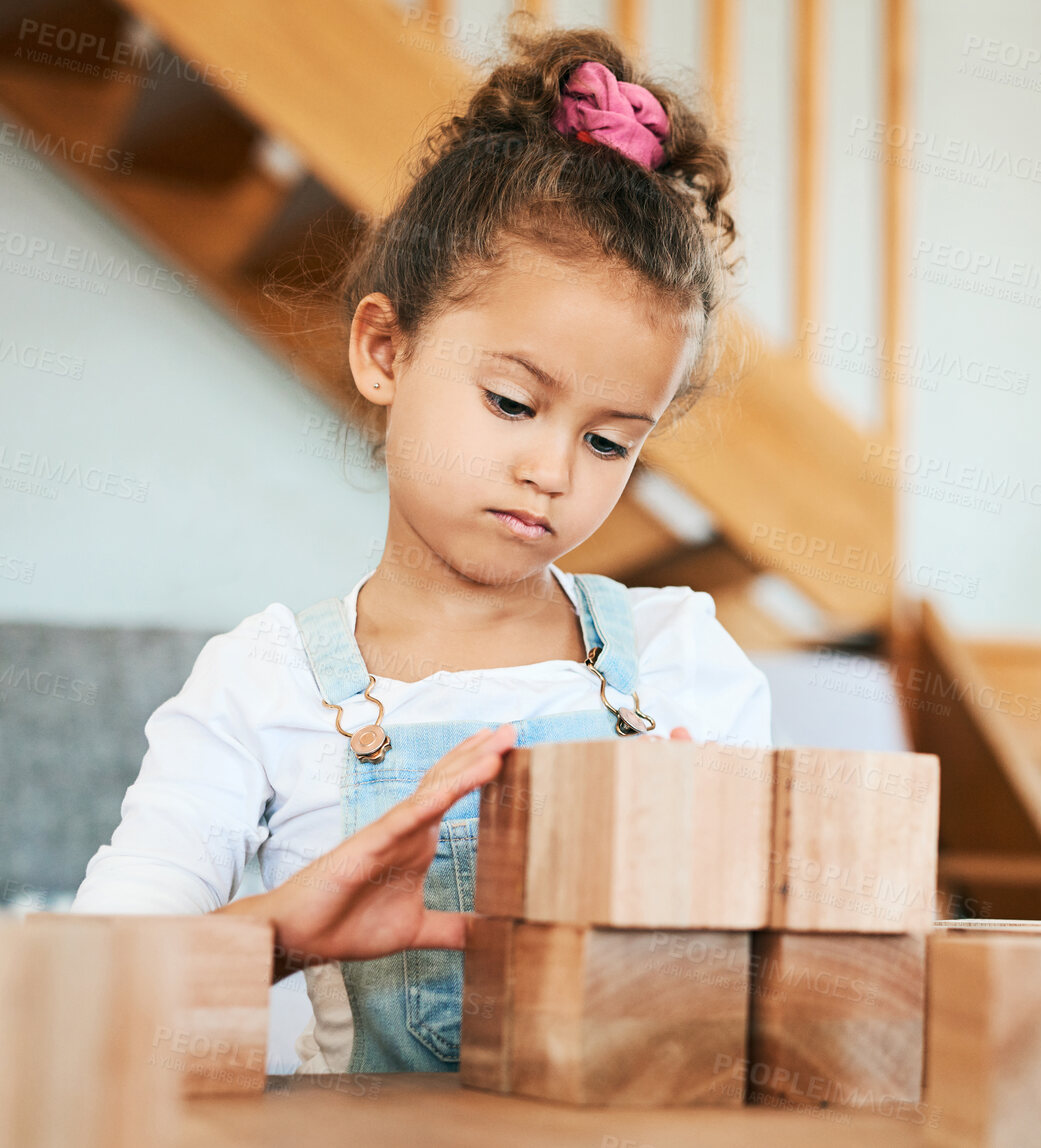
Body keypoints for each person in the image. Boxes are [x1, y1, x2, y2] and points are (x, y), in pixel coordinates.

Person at [69, 24, 767, 1076]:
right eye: (511, 401)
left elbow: (769, 997)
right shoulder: (265, 685)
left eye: (609, 439)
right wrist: (287, 930)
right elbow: (83, 989)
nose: (552, 468)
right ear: (383, 349)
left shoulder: (681, 661)